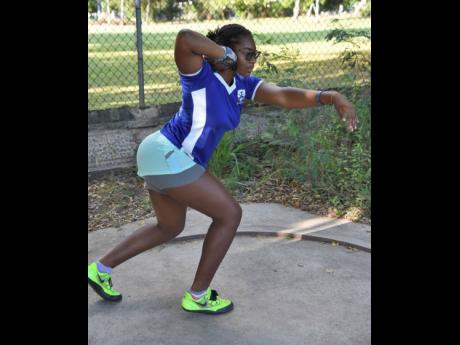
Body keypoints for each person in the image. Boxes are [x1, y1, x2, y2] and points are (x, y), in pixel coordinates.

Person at [88, 24, 358, 315]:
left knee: (169, 227)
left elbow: (282, 96)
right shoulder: (200, 75)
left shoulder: (243, 85)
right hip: (168, 152)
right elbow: (185, 39)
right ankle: (198, 295)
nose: (254, 59)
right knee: (230, 214)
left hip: (167, 158)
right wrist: (223, 54)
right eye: (248, 53)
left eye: (256, 53)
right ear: (226, 53)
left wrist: (329, 96)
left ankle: (100, 269)